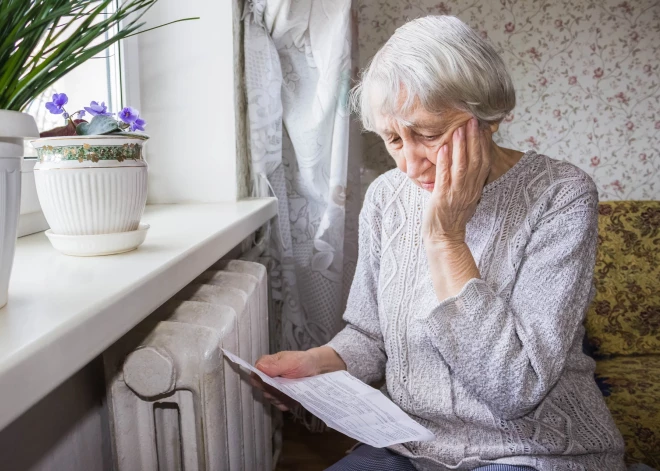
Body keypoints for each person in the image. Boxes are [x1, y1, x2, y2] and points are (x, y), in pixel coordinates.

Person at [253, 15, 626, 471]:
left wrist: (446, 239)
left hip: (532, 451)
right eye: (393, 139)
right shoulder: (386, 197)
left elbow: (515, 388)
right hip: (412, 445)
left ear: (487, 117)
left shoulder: (561, 195)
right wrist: (319, 362)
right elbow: (371, 336)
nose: (410, 163)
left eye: (428, 135)